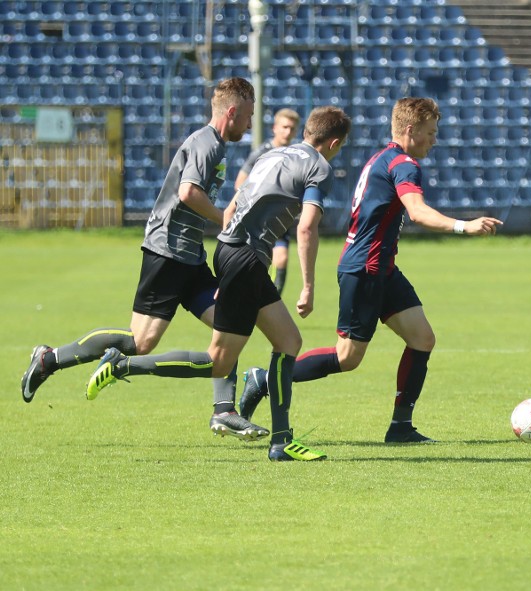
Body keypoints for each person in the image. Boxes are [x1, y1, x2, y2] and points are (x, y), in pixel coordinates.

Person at [85, 106, 352, 462]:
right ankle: (121, 365)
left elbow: (241, 195)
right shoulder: (320, 167)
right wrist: (308, 286)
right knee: (219, 362)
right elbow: (306, 227)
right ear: (334, 142)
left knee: (288, 341)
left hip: (233, 251)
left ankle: (281, 440)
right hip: (245, 258)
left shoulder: (272, 154)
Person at [239, 97, 502, 443]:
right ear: (410, 130)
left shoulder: (383, 157)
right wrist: (463, 227)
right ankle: (264, 379)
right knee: (347, 358)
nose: (434, 140)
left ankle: (401, 427)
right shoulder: (404, 164)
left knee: (422, 339)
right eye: (431, 133)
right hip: (364, 268)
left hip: (382, 267)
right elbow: (418, 212)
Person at [21, 77, 269, 440]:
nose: (249, 124)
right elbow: (188, 193)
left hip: (188, 255)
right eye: (248, 115)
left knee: (229, 324)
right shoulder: (207, 144)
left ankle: (224, 411)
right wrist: (223, 219)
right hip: (168, 251)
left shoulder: (214, 145)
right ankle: (49, 359)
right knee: (140, 342)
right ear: (231, 112)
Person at [235, 108, 302, 296]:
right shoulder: (262, 152)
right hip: (259, 221)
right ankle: (250, 296)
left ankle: (272, 300)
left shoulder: (297, 155)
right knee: (254, 262)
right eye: (284, 127)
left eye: (292, 128)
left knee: (281, 259)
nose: (288, 132)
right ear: (274, 128)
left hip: (280, 220)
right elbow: (240, 182)